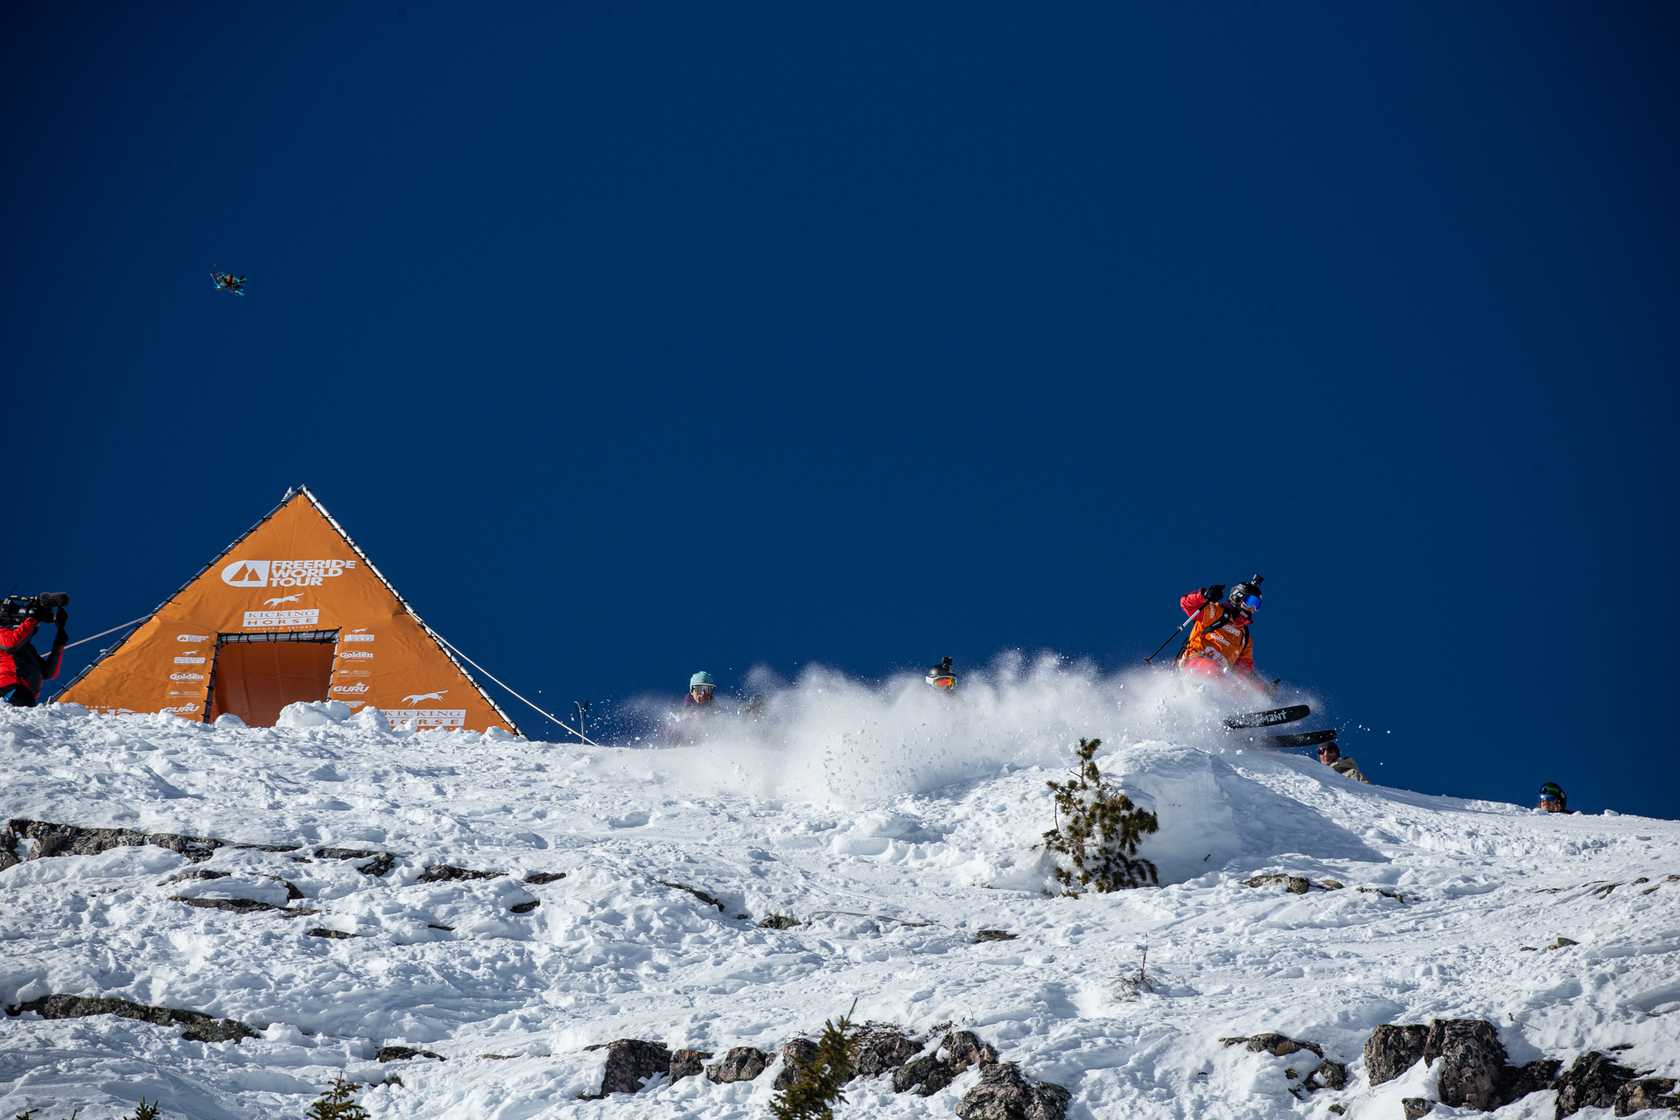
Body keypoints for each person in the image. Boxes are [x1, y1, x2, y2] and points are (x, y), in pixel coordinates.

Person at [1177, 576, 1265, 689]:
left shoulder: (1245, 636)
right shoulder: (1215, 612)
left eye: (1257, 605)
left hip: (1222, 677)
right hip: (1195, 662)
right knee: (1214, 671)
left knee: (1238, 686)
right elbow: (1187, 604)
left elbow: (1244, 668)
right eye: (1251, 602)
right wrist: (1204, 595)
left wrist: (1260, 688)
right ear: (1238, 597)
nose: (1253, 608)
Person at [1, 604, 68, 707]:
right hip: (7, 687)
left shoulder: (27, 649)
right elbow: (11, 644)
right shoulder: (3, 632)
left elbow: (49, 673)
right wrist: (34, 618)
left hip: (26, 693)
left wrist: (60, 636)